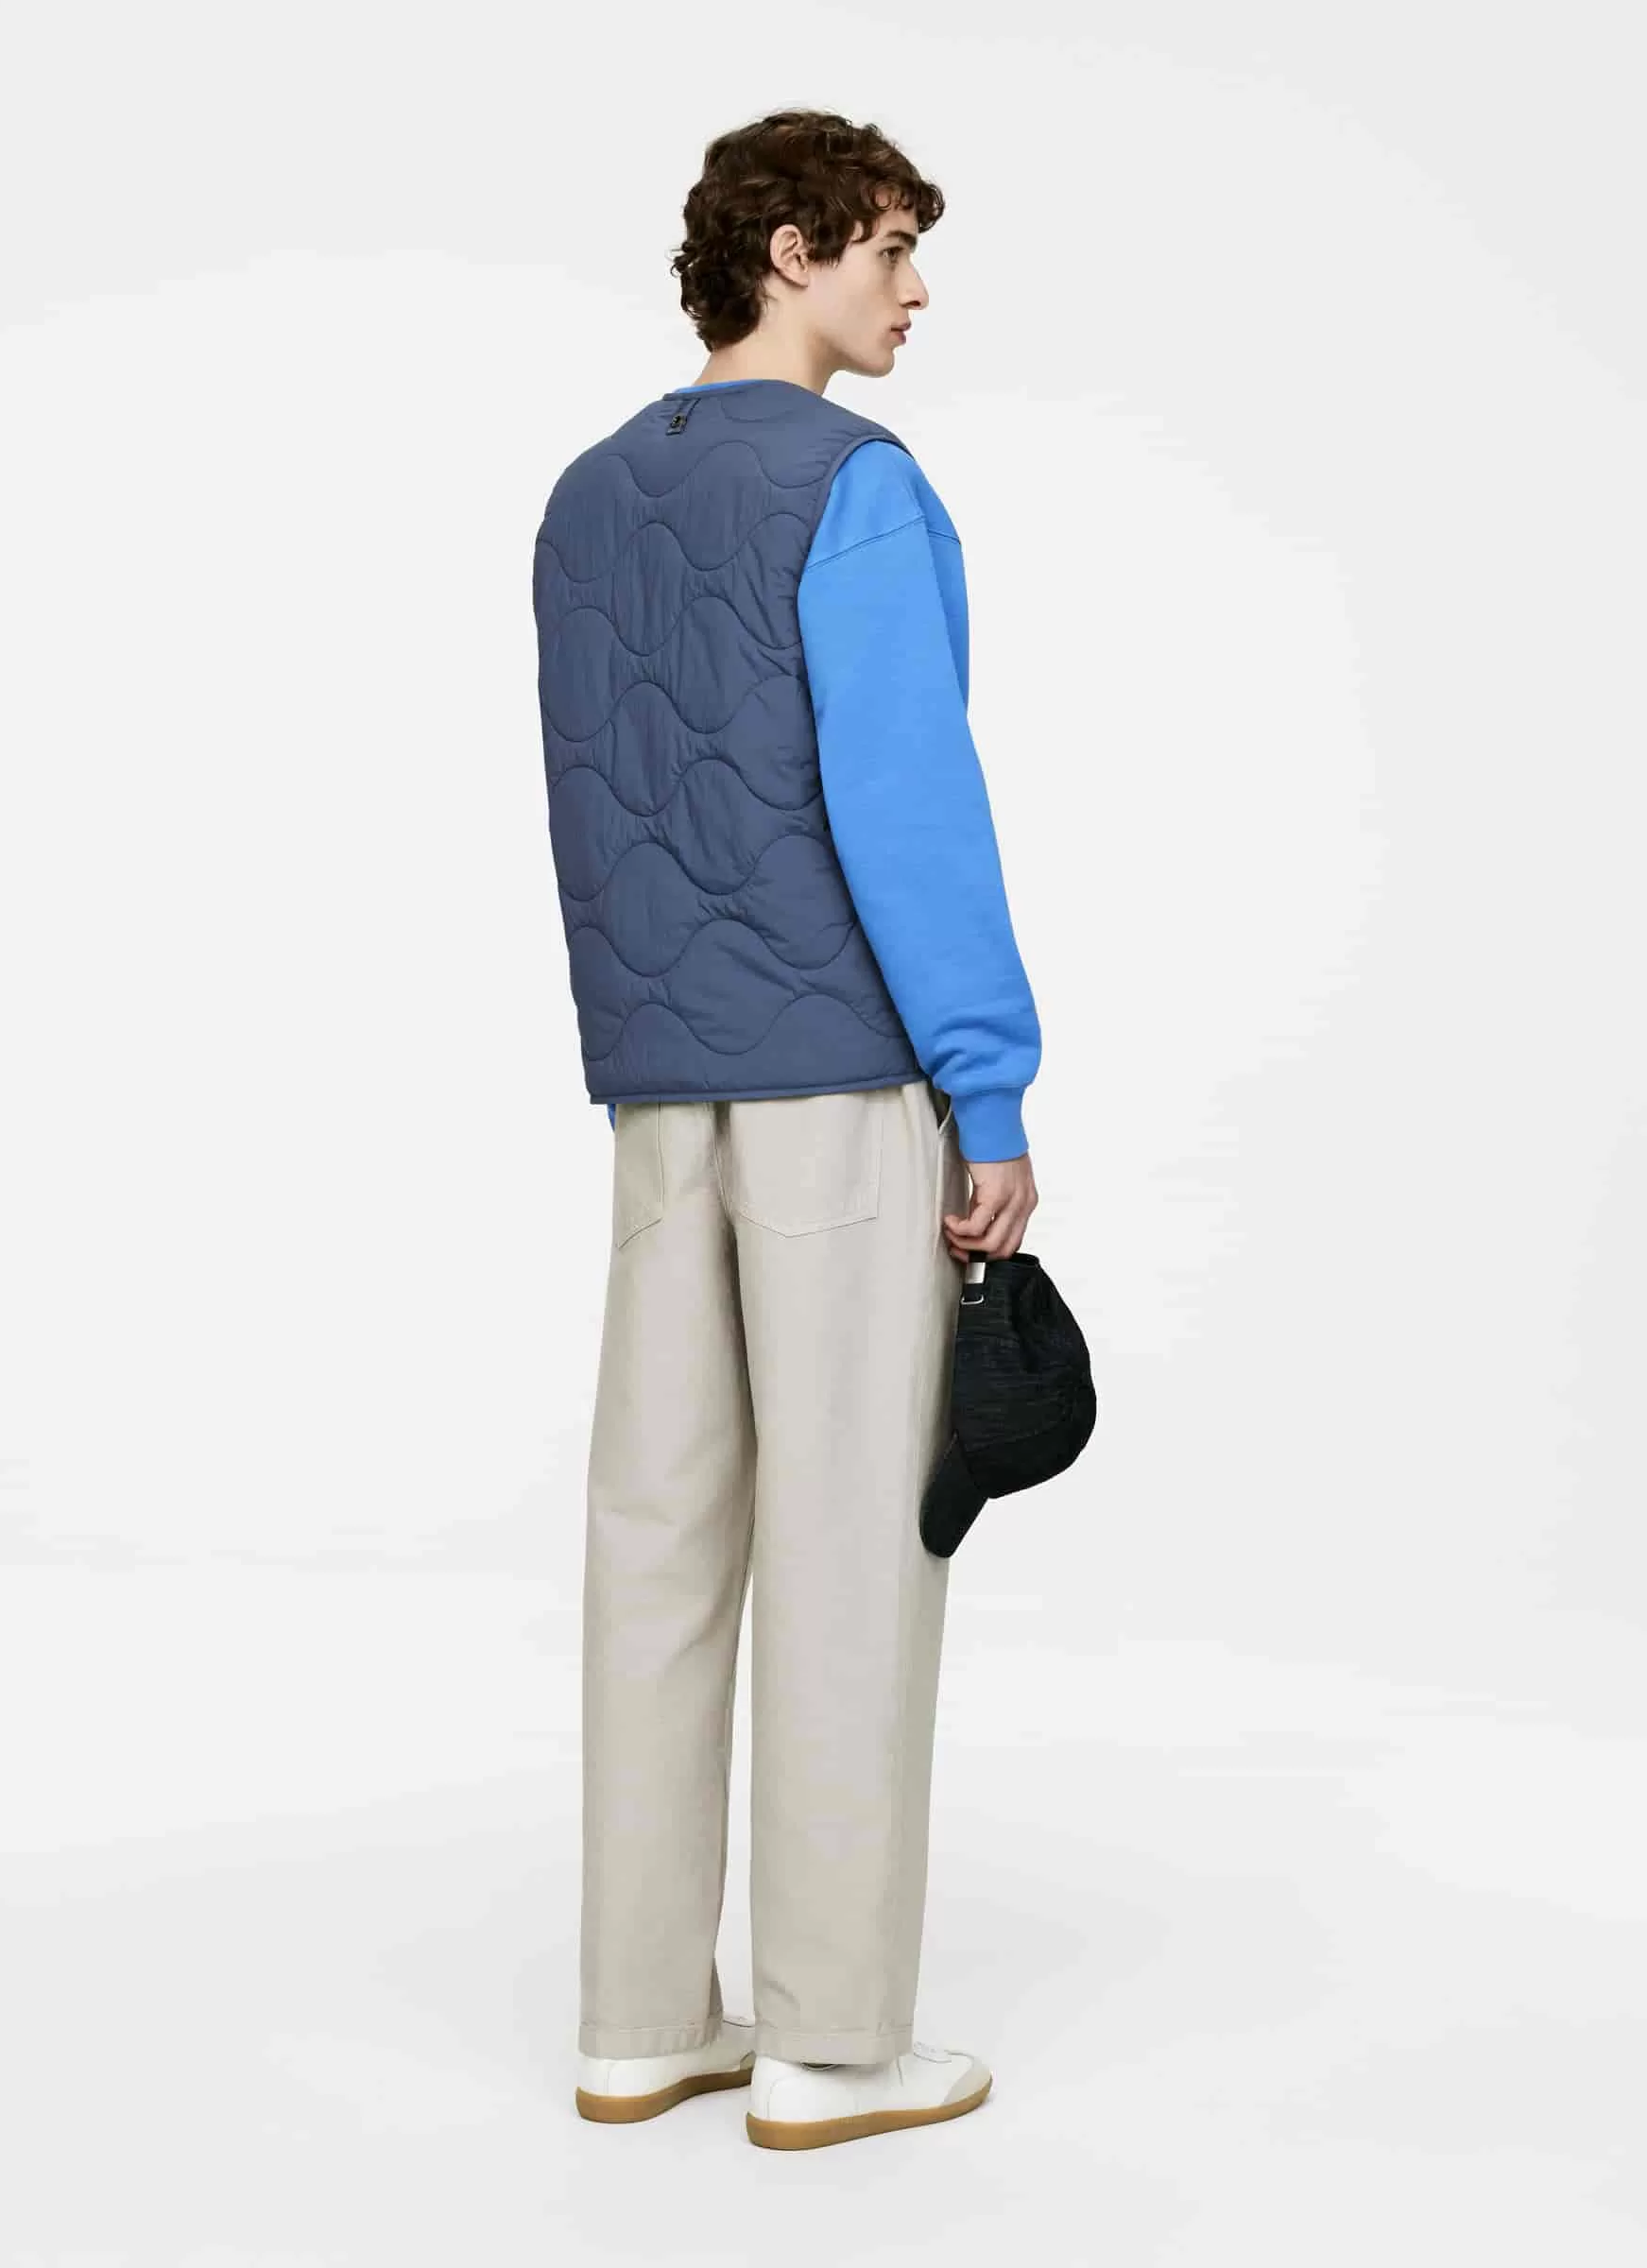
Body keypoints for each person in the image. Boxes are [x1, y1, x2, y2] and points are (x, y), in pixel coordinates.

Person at [531, 109, 1041, 2150]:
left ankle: (637, 2021)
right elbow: (908, 803)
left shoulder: (589, 495)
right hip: (837, 1086)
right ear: (792, 251)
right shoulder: (856, 487)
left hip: (661, 1092)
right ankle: (833, 2045)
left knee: (657, 1541)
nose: (917, 290)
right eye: (891, 248)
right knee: (844, 1548)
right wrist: (986, 1082)